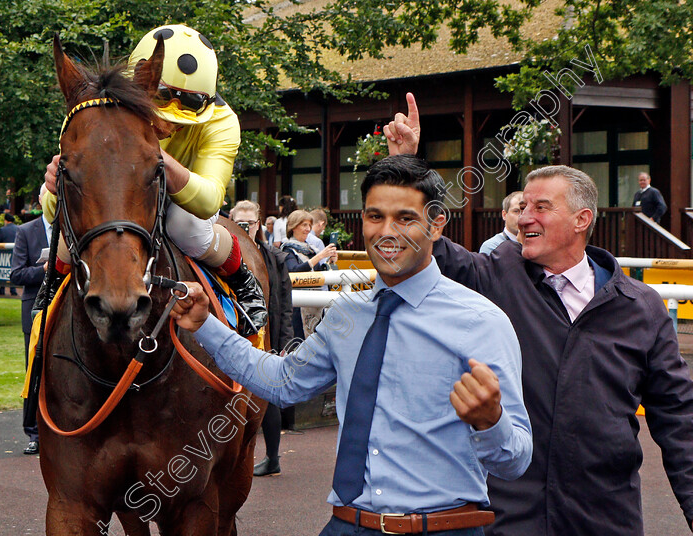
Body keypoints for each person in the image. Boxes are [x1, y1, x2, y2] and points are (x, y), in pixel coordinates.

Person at [171, 154, 531, 536]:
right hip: (345, 524)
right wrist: (204, 324)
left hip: (444, 528)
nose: (387, 231)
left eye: (405, 218)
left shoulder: (481, 321)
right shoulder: (350, 313)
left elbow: (516, 460)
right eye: (375, 216)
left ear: (437, 224)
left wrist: (491, 422)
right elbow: (284, 382)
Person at [384, 94, 693, 535]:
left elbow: (679, 419)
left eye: (540, 207)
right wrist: (407, 168)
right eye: (523, 207)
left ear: (582, 219)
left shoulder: (639, 307)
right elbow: (428, 248)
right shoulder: (498, 275)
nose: (524, 217)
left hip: (604, 517)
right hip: (510, 514)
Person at [40, 24, 266, 337]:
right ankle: (52, 288)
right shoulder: (92, 110)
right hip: (124, 197)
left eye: (183, 118)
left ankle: (243, 280)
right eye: (161, 108)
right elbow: (55, 213)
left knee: (185, 227)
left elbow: (209, 200)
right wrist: (55, 186)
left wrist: (155, 156)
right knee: (73, 229)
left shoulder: (223, 122)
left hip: (187, 200)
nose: (169, 123)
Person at [231, 200, 294, 477]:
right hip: (233, 336)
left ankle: (272, 457)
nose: (245, 228)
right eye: (239, 224)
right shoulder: (218, 255)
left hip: (266, 335)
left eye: (250, 223)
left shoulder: (275, 258)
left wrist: (284, 343)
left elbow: (285, 303)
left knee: (266, 395)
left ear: (260, 224)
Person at [10, 188, 51, 456]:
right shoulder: (26, 231)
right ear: (40, 200)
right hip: (34, 310)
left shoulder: (69, 226)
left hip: (65, 305)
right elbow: (16, 274)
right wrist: (43, 270)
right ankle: (33, 433)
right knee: (34, 371)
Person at [281, 210, 338, 340]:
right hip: (297, 306)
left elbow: (318, 272)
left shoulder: (311, 249)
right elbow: (294, 270)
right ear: (293, 227)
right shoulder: (287, 249)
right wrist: (320, 256)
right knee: (299, 341)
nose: (308, 229)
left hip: (315, 304)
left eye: (309, 225)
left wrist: (330, 261)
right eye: (304, 225)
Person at [0, 213, 19, 296]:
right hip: (16, 253)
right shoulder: (18, 228)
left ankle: (2, 289)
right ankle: (13, 289)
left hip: (4, 253)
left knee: (3, 270)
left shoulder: (3, 229)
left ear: (6, 220)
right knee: (12, 270)